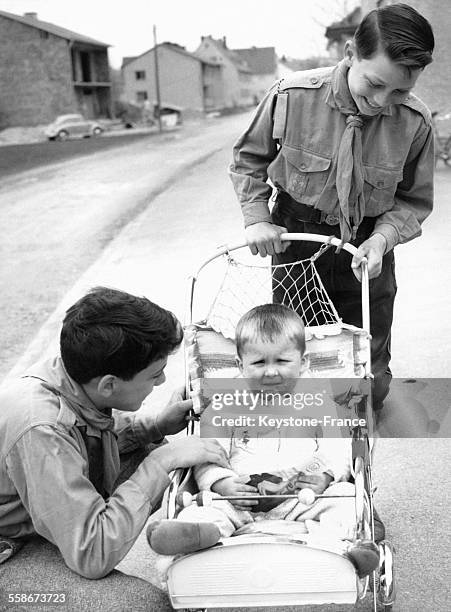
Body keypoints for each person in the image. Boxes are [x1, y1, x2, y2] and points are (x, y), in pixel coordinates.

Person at [228, 3, 435, 415]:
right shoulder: (291, 96)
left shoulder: (415, 122)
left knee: (366, 389)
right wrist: (257, 218)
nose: (381, 101)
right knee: (293, 369)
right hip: (297, 240)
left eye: (399, 91)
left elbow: (413, 199)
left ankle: (353, 459)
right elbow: (248, 160)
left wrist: (382, 239)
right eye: (374, 84)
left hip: (367, 248)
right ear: (348, 54)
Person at [0, 287, 228, 609]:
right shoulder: (42, 430)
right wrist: (161, 463)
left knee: (151, 448)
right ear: (109, 384)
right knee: (141, 605)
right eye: (154, 374)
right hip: (10, 551)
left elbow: (93, 434)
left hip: (34, 511)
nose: (162, 382)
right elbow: (92, 554)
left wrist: (157, 425)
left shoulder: (72, 374)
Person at [147, 304, 379, 577]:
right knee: (204, 507)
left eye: (282, 361)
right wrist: (221, 482)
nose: (270, 372)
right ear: (240, 365)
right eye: (259, 363)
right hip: (239, 501)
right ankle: (196, 537)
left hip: (301, 499)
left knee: (343, 499)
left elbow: (337, 447)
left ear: (303, 363)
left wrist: (325, 475)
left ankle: (343, 548)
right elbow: (207, 453)